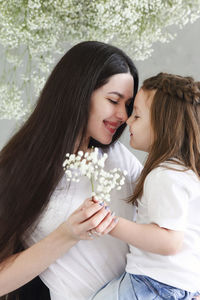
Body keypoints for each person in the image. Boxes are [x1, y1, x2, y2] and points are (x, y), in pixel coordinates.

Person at [0, 41, 142, 300]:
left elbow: (169, 225)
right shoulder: (18, 169)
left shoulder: (120, 159)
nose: (123, 115)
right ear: (79, 92)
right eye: (113, 100)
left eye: (129, 105)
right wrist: (68, 234)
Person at [90, 72, 200, 300]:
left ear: (163, 125)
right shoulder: (185, 173)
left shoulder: (165, 175)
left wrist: (109, 223)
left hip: (153, 285)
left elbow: (169, 241)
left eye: (137, 116)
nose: (128, 121)